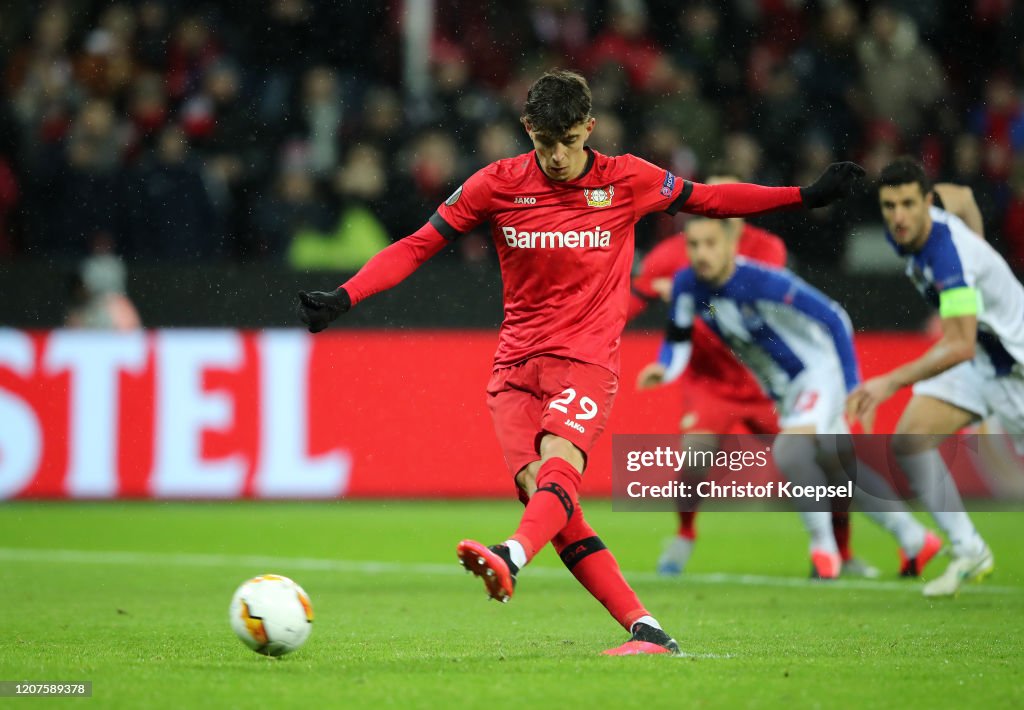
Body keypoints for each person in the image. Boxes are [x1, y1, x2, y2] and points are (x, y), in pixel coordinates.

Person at [296, 70, 864, 655]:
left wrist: (805, 196)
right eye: (546, 143)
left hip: (586, 363)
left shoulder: (628, 180)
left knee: (559, 467)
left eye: (569, 140)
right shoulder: (496, 185)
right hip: (514, 370)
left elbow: (711, 199)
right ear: (528, 132)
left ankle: (511, 557)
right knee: (544, 497)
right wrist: (345, 297)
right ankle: (648, 631)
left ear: (589, 129)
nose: (560, 156)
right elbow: (417, 245)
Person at [637, 215, 941, 579]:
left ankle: (823, 552)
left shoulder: (762, 281)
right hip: (783, 390)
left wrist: (851, 384)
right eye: (694, 245)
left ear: (732, 245)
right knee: (839, 469)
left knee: (790, 450)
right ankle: (915, 538)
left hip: (816, 374)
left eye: (711, 244)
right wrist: (664, 368)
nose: (701, 253)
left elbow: (834, 317)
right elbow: (682, 334)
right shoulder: (690, 285)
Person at [847, 157, 1024, 596]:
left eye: (908, 204)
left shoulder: (947, 257)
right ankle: (969, 549)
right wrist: (980, 248)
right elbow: (962, 197)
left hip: (1014, 364)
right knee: (910, 439)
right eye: (890, 206)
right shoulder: (928, 214)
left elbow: (958, 343)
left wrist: (889, 381)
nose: (899, 216)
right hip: (982, 358)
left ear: (926, 202)